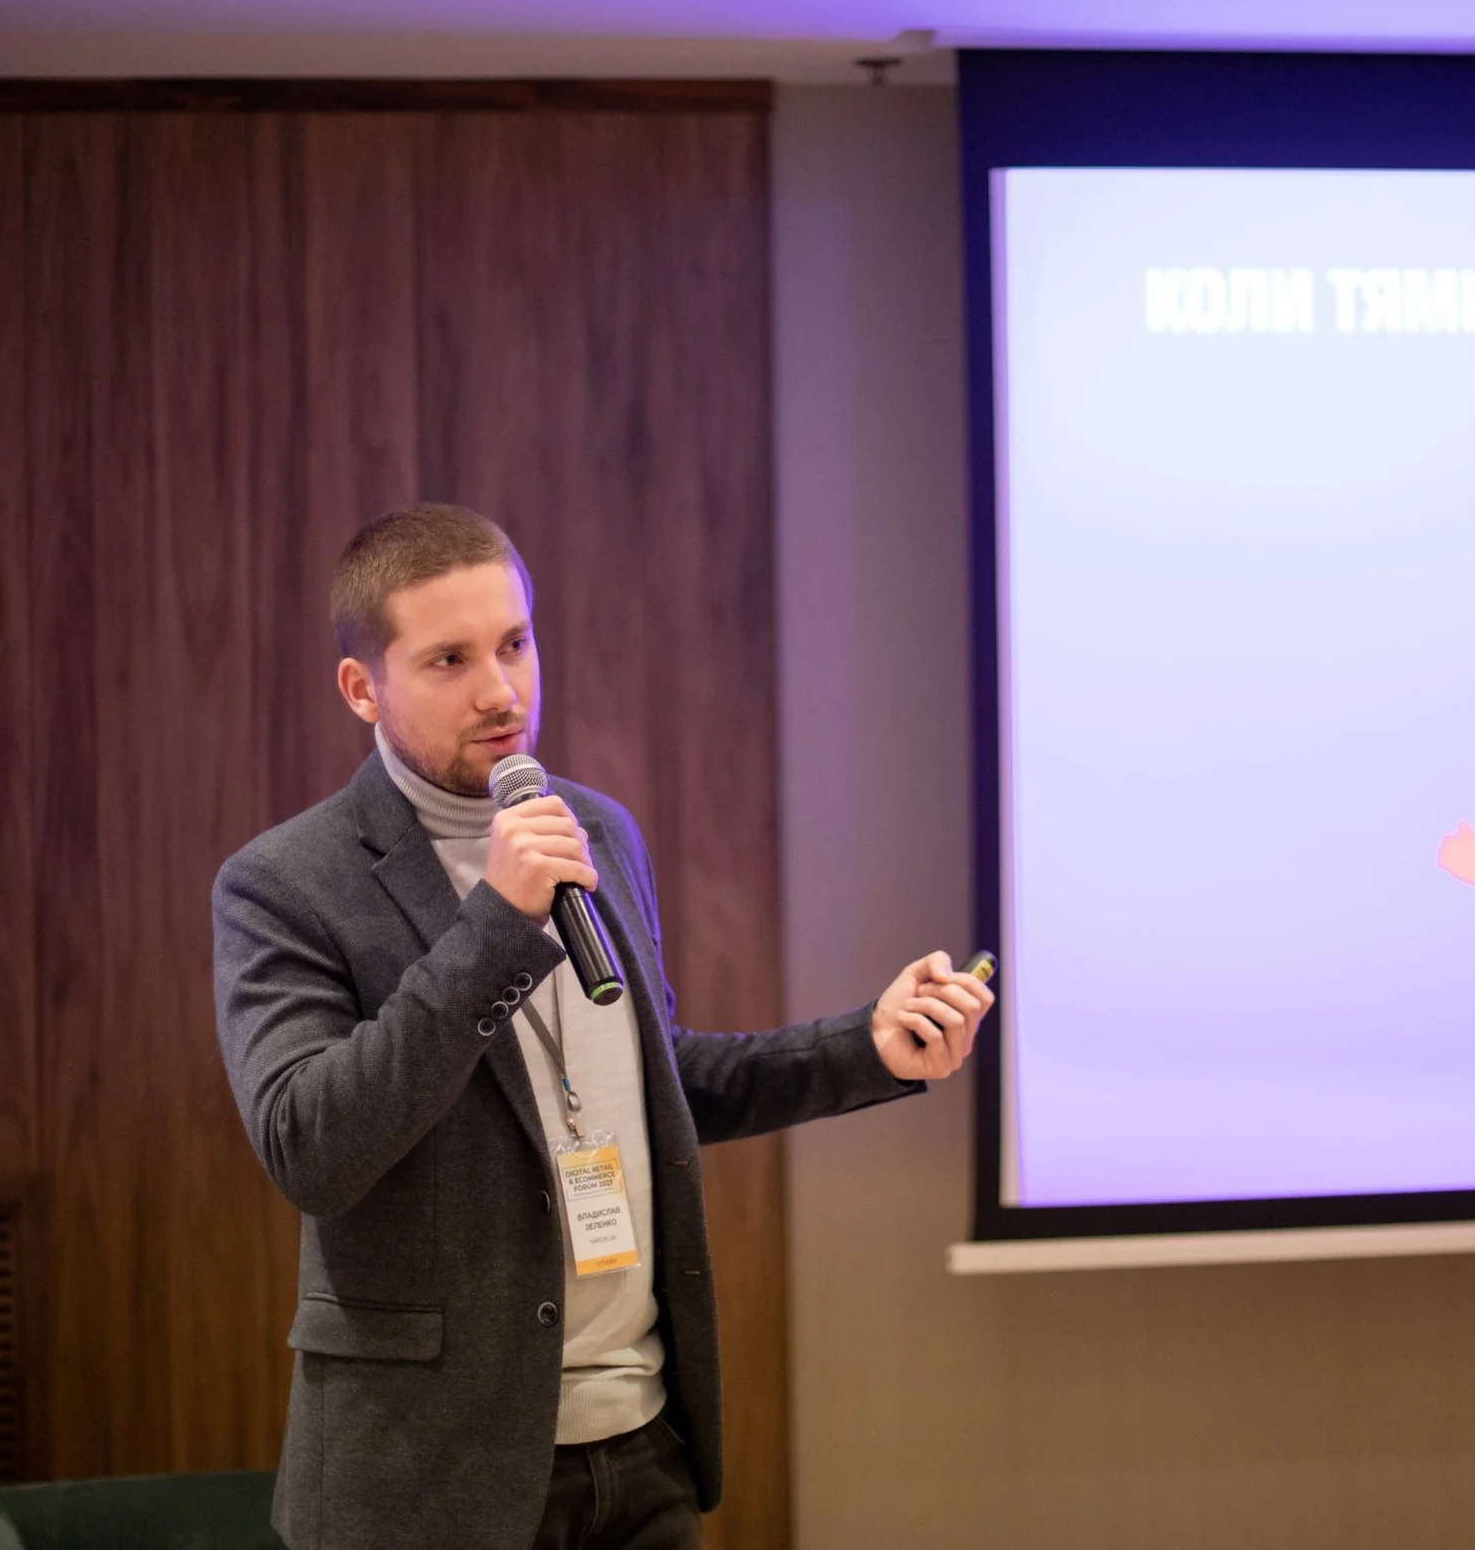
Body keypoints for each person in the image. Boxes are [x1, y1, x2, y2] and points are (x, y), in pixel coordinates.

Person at [212, 504, 993, 1550]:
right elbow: (312, 1145)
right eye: (449, 659)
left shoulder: (598, 833)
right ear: (363, 687)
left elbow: (657, 1081)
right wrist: (495, 926)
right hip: (429, 1477)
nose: (501, 690)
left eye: (514, 643)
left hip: (639, 1450)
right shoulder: (285, 883)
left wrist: (864, 1045)